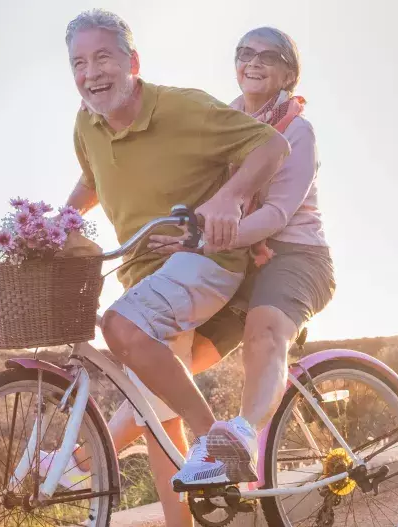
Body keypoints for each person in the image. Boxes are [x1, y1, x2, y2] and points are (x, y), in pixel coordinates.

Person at [60, 9, 290, 525]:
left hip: (204, 260)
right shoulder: (86, 122)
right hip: (144, 274)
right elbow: (93, 178)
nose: (91, 73)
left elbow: (272, 145)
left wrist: (230, 198)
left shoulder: (184, 108)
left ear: (132, 62)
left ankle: (218, 441)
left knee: (119, 324)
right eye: (79, 63)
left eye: (103, 58)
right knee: (155, 417)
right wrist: (59, 220)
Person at [106, 23, 335, 513]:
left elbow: (275, 216)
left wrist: (205, 237)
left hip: (295, 256)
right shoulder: (225, 119)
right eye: (244, 53)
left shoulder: (296, 129)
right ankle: (87, 455)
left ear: (288, 73)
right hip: (233, 263)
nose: (253, 62)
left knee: (264, 331)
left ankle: (240, 438)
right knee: (166, 370)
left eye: (267, 56)